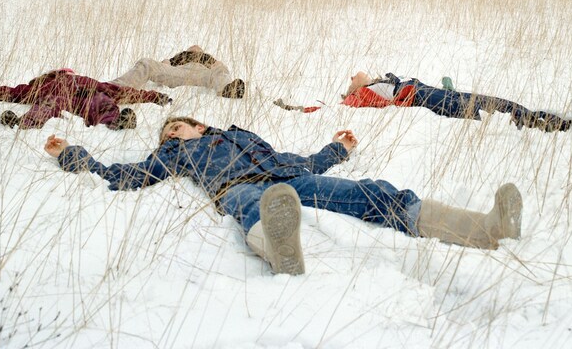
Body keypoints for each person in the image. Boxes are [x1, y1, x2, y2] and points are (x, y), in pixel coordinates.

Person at [44, 115, 523, 275]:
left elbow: (301, 161)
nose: (172, 133)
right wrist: (72, 154)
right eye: (167, 132)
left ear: (198, 123)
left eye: (177, 125)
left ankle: (485, 229)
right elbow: (124, 174)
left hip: (289, 176)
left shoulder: (239, 134)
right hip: (241, 189)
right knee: (254, 207)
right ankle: (279, 249)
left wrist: (337, 149)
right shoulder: (175, 156)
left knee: (371, 193)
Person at [277, 71, 572, 132]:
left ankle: (559, 122)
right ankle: (561, 125)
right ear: (351, 93)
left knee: (494, 104)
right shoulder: (357, 99)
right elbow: (323, 109)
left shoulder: (377, 86)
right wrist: (291, 107)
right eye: (350, 81)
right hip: (425, 98)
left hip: (428, 93)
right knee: (491, 107)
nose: (353, 75)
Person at [0, 68, 172, 130]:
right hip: (62, 96)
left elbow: (120, 92)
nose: (66, 72)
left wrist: (154, 96)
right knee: (51, 103)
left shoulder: (85, 80)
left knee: (103, 100)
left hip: (89, 93)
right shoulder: (42, 86)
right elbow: (8, 92)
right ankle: (24, 123)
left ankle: (118, 121)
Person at [111, 46, 246, 99]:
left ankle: (228, 90)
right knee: (146, 62)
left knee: (220, 71)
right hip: (179, 72)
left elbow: (221, 69)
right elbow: (164, 66)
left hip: (204, 74)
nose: (195, 49)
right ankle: (115, 88)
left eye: (198, 49)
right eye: (192, 49)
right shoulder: (179, 57)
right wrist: (166, 62)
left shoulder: (208, 59)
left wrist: (218, 66)